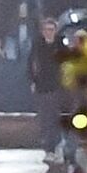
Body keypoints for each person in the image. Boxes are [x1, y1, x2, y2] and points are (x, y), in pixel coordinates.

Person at [28, 14, 69, 154]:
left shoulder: (60, 44)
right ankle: (48, 146)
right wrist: (33, 81)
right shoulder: (38, 44)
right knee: (45, 116)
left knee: (55, 116)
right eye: (46, 29)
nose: (49, 32)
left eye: (51, 29)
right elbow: (31, 63)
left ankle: (56, 144)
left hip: (57, 85)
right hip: (42, 85)